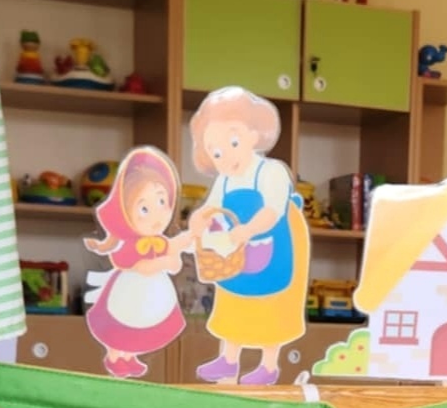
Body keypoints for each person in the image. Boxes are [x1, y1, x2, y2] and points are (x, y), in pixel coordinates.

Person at [186, 86, 311, 387]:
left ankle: (269, 364)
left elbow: (273, 209)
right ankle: (228, 358)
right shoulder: (224, 181)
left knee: (270, 301)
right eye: (216, 152)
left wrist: (248, 230)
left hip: (275, 242)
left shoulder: (271, 171)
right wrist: (199, 221)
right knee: (233, 298)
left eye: (233, 142)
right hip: (236, 250)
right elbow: (211, 208)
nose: (226, 155)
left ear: (254, 135)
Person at [83, 146, 191, 378]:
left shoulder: (160, 242)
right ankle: (115, 356)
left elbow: (175, 260)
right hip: (128, 293)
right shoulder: (130, 245)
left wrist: (187, 242)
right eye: (144, 208)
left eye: (162, 202)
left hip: (153, 297)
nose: (157, 215)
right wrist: (166, 261)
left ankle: (130, 356)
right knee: (122, 324)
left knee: (144, 323)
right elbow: (143, 267)